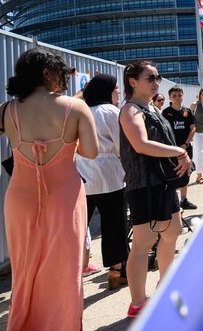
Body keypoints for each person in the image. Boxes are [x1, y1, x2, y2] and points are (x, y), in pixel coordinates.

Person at [0, 48, 99, 330]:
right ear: (47, 73)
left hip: (20, 199)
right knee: (65, 269)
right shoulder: (75, 108)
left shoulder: (8, 110)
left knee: (25, 268)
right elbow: (91, 152)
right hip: (65, 197)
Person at [119, 61, 190, 318]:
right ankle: (137, 302)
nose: (156, 82)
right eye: (150, 78)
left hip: (163, 183)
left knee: (173, 230)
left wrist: (181, 156)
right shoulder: (130, 110)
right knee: (143, 242)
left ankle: (165, 283)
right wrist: (180, 151)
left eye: (157, 77)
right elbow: (140, 144)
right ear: (132, 81)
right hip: (143, 184)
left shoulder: (151, 109)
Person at [75, 74, 129, 291]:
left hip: (82, 175)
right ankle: (116, 272)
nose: (118, 92)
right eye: (116, 88)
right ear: (107, 91)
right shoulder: (111, 112)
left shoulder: (81, 110)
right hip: (110, 176)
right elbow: (121, 146)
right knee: (114, 224)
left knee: (79, 227)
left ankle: (73, 271)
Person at [163, 86, 198, 210]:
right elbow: (164, 131)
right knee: (173, 174)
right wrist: (172, 146)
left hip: (185, 149)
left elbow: (193, 128)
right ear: (170, 98)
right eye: (174, 96)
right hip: (171, 150)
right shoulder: (166, 112)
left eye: (179, 95)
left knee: (185, 174)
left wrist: (186, 144)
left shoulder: (187, 111)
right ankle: (174, 202)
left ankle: (184, 200)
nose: (177, 98)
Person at [189, 88, 203, 184]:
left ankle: (200, 173)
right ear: (200, 95)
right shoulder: (195, 104)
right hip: (197, 133)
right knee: (200, 152)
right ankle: (199, 176)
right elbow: (188, 117)